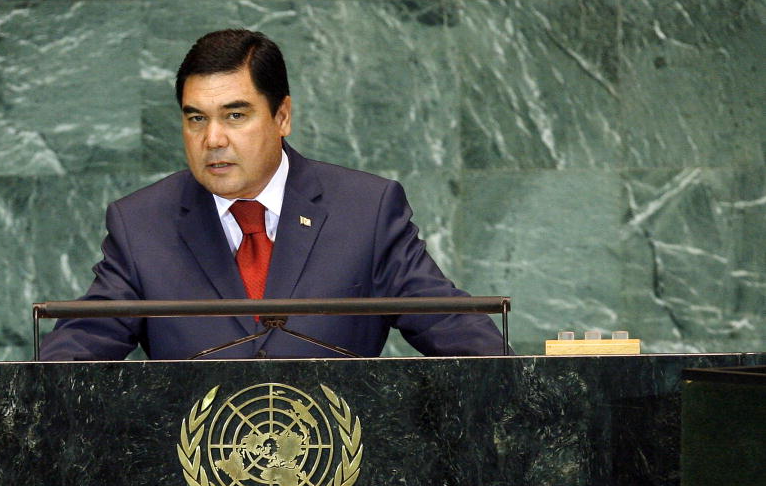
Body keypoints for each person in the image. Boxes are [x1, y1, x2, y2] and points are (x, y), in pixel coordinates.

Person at [40, 29, 507, 360]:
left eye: (235, 115)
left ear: (282, 117)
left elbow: (451, 327)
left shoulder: (364, 210)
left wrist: (534, 383)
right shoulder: (141, 223)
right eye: (196, 118)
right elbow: (83, 344)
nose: (213, 139)